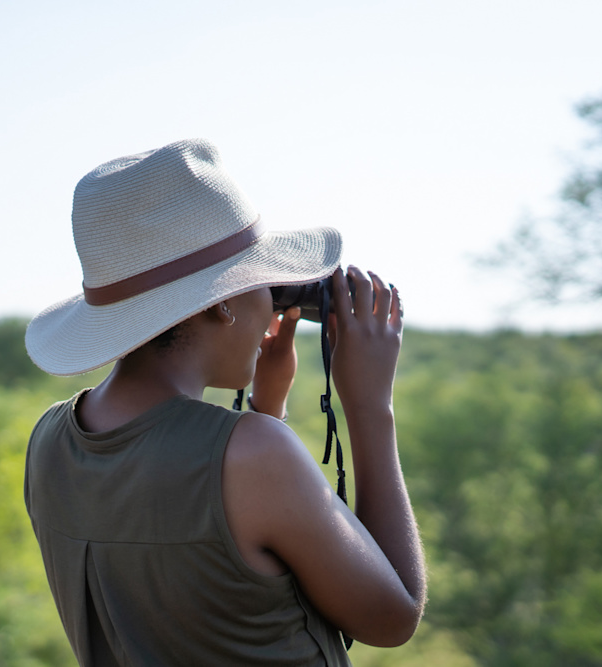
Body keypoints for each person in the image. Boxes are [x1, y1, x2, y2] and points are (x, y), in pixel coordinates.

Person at [23, 138, 427, 665]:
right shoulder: (255, 456)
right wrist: (370, 406)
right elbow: (392, 618)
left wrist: (266, 410)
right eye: (263, 284)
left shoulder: (51, 439)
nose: (271, 304)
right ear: (224, 305)